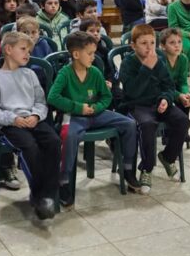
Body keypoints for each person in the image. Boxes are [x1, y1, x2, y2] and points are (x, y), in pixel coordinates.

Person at [49, 31, 138, 206]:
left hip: (96, 114)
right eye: (89, 53)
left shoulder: (95, 72)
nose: (93, 57)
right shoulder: (65, 73)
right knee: (68, 136)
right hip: (73, 116)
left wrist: (96, 108)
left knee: (129, 124)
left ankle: (127, 168)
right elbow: (53, 97)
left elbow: (106, 97)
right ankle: (64, 179)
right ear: (76, 54)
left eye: (94, 53)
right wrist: (78, 107)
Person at [0, 31, 62, 220]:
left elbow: (41, 102)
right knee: (29, 147)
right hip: (8, 124)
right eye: (23, 49)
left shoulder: (30, 74)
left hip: (32, 119)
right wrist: (13, 119)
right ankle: (42, 195)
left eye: (29, 50)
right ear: (8, 49)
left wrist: (35, 115)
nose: (28, 54)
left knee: (53, 141)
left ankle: (47, 194)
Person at [119, 25, 190, 192]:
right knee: (147, 125)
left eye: (152, 42)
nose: (149, 47)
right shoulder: (128, 63)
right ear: (133, 45)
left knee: (182, 121)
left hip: (158, 102)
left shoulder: (158, 57)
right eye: (143, 43)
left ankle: (167, 157)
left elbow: (168, 84)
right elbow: (132, 92)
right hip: (137, 104)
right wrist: (146, 68)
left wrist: (166, 98)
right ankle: (146, 168)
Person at [159, 27, 190, 143]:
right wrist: (178, 95)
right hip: (162, 92)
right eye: (172, 43)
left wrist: (185, 93)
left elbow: (183, 81)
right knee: (176, 100)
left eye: (179, 42)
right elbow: (161, 86)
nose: (177, 46)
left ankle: (183, 131)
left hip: (174, 88)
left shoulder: (183, 58)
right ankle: (167, 134)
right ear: (163, 46)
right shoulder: (160, 60)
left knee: (187, 99)